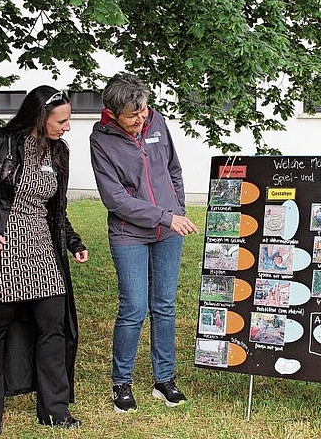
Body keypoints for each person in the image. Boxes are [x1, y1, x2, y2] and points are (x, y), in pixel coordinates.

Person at [0, 86, 88, 437]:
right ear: (39, 116)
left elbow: (56, 208)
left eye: (69, 120)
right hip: (1, 248)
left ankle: (54, 410)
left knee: (53, 330)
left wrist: (73, 241)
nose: (67, 127)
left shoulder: (59, 151)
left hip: (44, 251)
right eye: (61, 120)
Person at [90, 72, 199, 413]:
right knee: (134, 308)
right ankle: (122, 383)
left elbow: (173, 169)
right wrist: (166, 216)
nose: (140, 120)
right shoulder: (101, 140)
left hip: (168, 231)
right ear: (113, 113)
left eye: (143, 111)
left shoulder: (156, 122)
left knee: (164, 306)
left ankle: (164, 380)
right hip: (129, 234)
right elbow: (115, 199)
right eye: (131, 115)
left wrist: (176, 207)